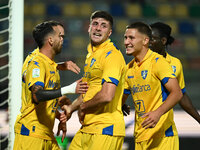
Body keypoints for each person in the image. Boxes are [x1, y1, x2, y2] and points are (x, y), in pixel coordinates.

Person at [13, 20, 88, 150]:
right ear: (51, 40)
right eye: (60, 36)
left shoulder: (48, 63)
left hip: (45, 133)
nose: (62, 40)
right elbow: (37, 95)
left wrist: (60, 116)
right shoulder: (36, 63)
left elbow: (49, 95)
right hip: (31, 134)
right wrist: (70, 89)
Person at [62, 10, 126, 150]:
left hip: (105, 128)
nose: (98, 28)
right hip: (88, 126)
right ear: (89, 28)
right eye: (95, 24)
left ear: (109, 33)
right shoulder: (92, 54)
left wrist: (83, 107)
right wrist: (71, 108)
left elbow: (107, 95)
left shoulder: (112, 55)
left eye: (104, 26)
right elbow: (88, 90)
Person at [123, 22, 183, 150]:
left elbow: (177, 93)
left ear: (145, 40)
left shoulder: (158, 62)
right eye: (125, 38)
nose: (126, 42)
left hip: (162, 137)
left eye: (131, 38)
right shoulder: (128, 69)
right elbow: (122, 97)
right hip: (141, 136)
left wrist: (157, 113)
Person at [149, 22, 200, 124]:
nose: (148, 42)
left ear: (163, 40)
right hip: (144, 123)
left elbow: (181, 95)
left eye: (152, 39)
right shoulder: (139, 62)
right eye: (146, 38)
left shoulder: (175, 63)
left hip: (166, 126)